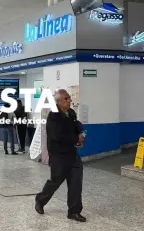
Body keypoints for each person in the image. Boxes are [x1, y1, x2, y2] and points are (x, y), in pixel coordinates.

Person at [35, 89, 86, 222]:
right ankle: (40, 200)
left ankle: (74, 211)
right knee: (56, 181)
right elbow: (57, 136)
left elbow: (76, 127)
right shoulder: (54, 116)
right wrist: (76, 139)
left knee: (75, 182)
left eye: (69, 98)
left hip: (72, 155)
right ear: (58, 102)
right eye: (66, 99)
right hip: (59, 156)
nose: (69, 101)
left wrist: (80, 135)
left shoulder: (71, 113)